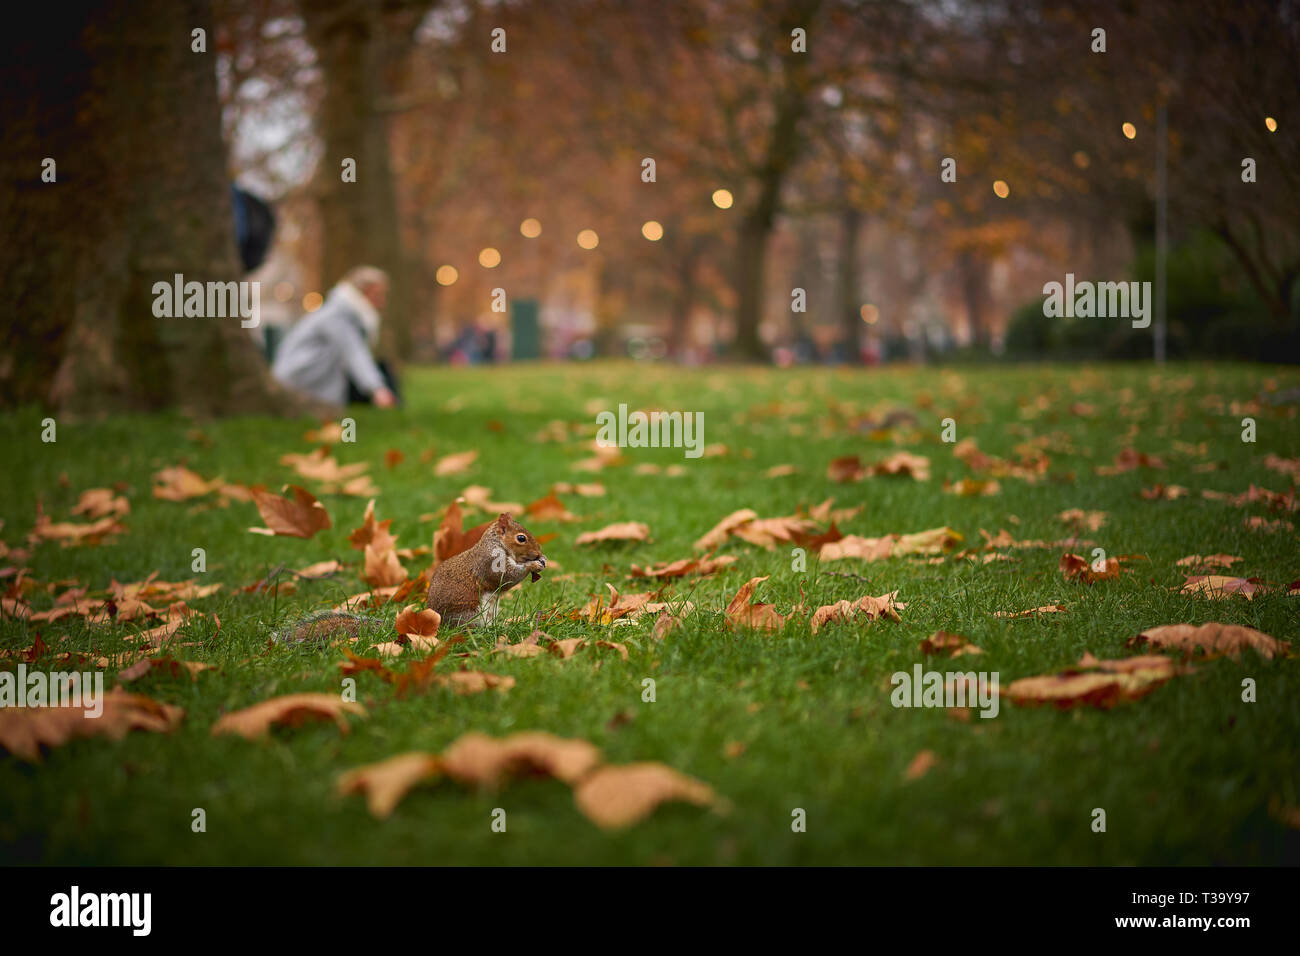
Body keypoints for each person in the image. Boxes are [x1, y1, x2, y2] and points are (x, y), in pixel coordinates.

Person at [271, 266, 398, 408]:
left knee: (384, 367)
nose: (382, 301)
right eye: (378, 294)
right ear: (364, 291)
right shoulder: (336, 315)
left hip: (310, 376)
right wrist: (377, 389)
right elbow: (354, 352)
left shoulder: (344, 312)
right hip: (300, 379)